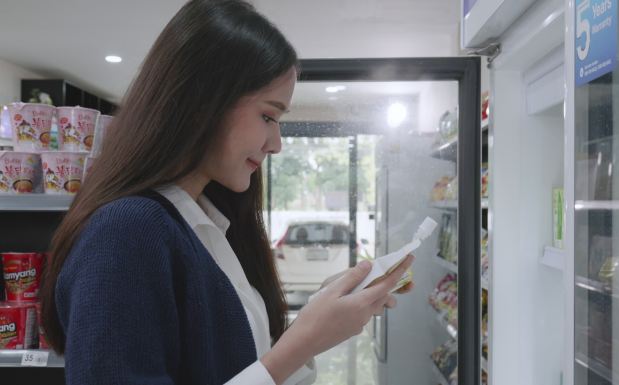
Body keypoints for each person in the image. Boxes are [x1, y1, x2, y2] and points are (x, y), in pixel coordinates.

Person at [39, 1, 415, 384]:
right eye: (268, 116)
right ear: (202, 103)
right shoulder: (128, 231)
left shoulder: (205, 221)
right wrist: (300, 343)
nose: (276, 143)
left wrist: (316, 323)